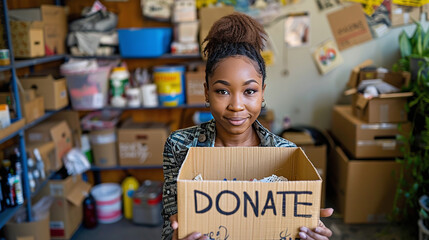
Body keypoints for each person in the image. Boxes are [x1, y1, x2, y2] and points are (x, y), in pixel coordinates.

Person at [162, 12, 333, 240]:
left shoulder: (286, 155)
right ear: (206, 92)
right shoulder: (179, 147)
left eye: (249, 91)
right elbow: (169, 227)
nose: (236, 105)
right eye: (222, 91)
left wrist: (308, 231)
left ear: (262, 92)